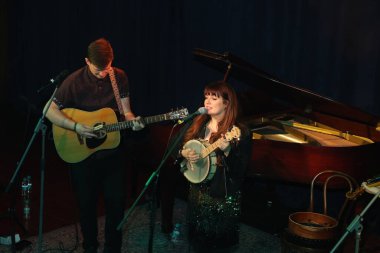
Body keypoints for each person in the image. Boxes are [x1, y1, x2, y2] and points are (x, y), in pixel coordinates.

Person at [44, 38, 144, 253]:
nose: (104, 74)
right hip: (83, 155)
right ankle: (89, 246)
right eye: (99, 70)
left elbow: (126, 111)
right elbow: (49, 111)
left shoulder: (120, 77)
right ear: (87, 61)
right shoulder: (73, 81)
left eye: (107, 68)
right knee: (86, 205)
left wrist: (132, 120)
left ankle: (112, 248)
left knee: (116, 204)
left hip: (113, 152)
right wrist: (77, 127)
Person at [176, 81, 250, 252]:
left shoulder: (240, 131)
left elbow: (241, 170)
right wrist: (183, 153)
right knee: (196, 242)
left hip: (222, 199)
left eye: (213, 98)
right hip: (196, 194)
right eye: (206, 97)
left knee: (218, 246)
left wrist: (228, 151)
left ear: (226, 103)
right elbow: (176, 147)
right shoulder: (198, 124)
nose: (207, 102)